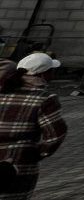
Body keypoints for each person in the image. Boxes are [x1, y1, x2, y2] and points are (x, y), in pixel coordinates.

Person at [0, 54, 68, 200]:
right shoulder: (44, 98)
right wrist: (37, 153)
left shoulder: (3, 90)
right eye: (52, 71)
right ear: (44, 74)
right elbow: (56, 135)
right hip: (18, 162)